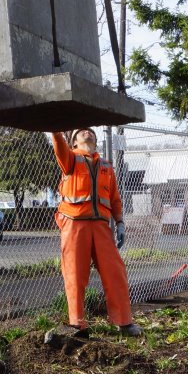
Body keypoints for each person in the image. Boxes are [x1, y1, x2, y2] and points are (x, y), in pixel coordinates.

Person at [51, 127, 142, 337]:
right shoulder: (70, 159)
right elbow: (59, 148)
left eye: (91, 131)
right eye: (82, 132)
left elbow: (115, 198)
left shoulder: (106, 167)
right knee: (74, 274)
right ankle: (77, 324)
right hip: (74, 224)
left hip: (101, 226)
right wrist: (55, 129)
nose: (87, 133)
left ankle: (124, 322)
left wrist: (119, 222)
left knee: (115, 272)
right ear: (73, 143)